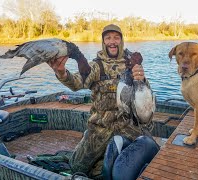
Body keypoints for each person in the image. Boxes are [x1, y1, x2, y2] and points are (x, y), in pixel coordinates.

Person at [48, 24, 156, 178]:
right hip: (100, 128)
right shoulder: (96, 66)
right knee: (78, 167)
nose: (112, 41)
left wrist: (142, 79)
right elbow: (77, 82)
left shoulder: (132, 63)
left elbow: (146, 98)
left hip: (128, 126)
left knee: (145, 162)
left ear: (122, 40)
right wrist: (62, 72)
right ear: (103, 42)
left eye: (116, 37)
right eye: (108, 38)